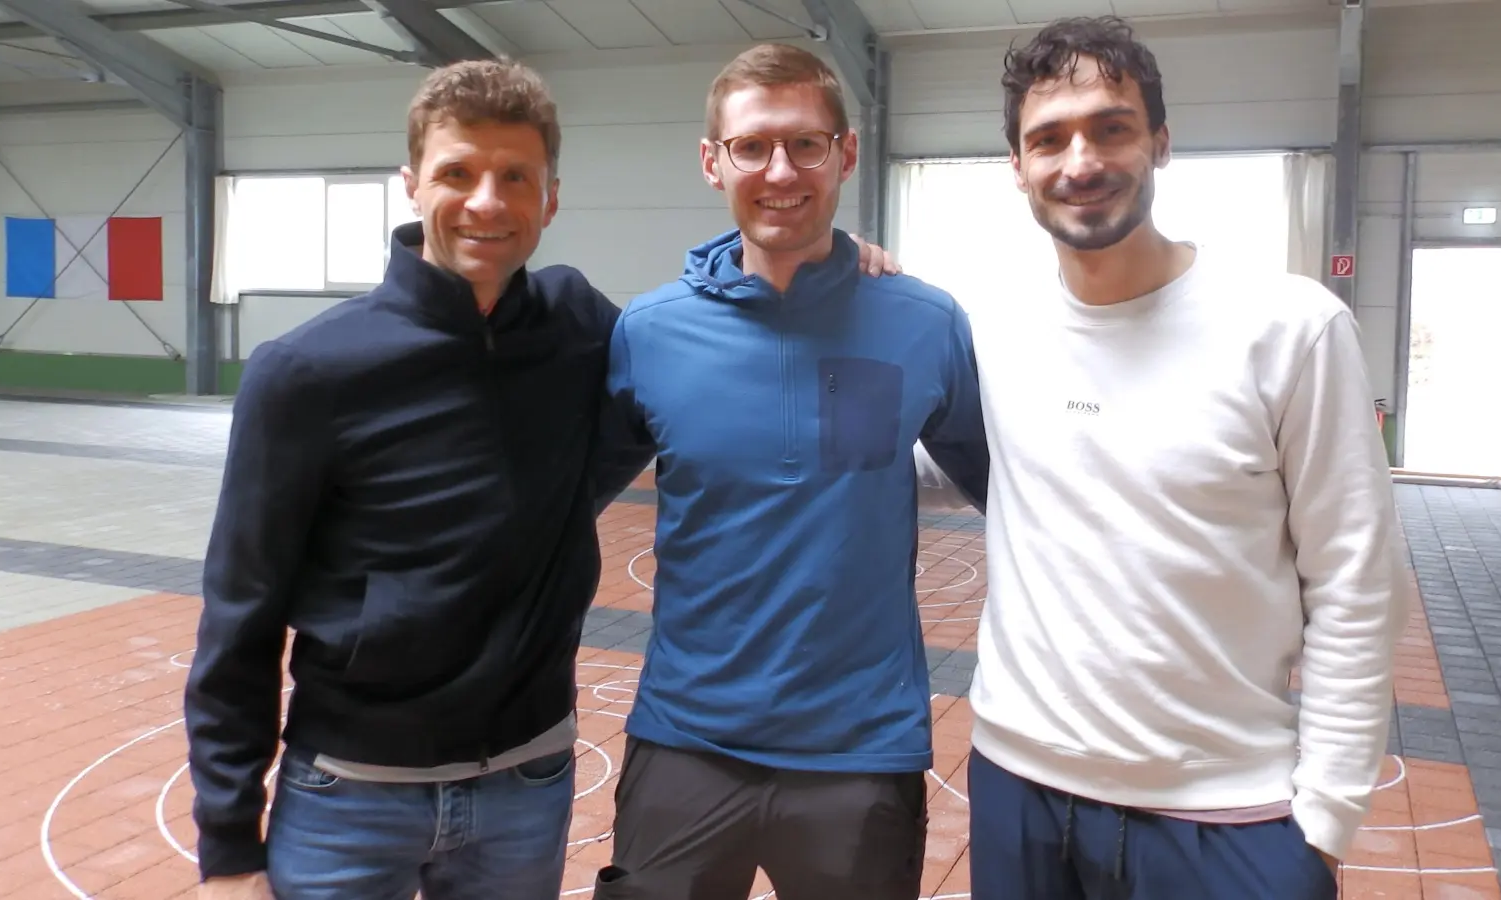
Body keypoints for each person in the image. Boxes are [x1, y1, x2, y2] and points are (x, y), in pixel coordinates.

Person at [185, 57, 896, 900]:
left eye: (514, 177)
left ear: (549, 198)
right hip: (351, 791)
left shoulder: (579, 324)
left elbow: (705, 311)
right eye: (457, 173)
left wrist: (832, 261)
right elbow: (240, 614)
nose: (487, 201)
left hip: (523, 789)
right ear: (411, 185)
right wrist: (228, 849)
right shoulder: (305, 373)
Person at [937, 16, 1409, 900]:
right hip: (1019, 786)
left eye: (1110, 127)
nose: (1079, 160)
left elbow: (1357, 583)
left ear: (1160, 141)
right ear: (1017, 167)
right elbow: (928, 457)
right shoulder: (992, 329)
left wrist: (1326, 823)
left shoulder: (1290, 328)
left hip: (1230, 812)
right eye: (1048, 138)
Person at [591, 43, 989, 900]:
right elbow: (559, 500)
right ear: (712, 161)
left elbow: (1019, 495)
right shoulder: (649, 332)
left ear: (845, 153)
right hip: (685, 743)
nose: (781, 170)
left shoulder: (924, 322)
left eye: (807, 144)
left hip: (860, 753)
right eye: (752, 147)